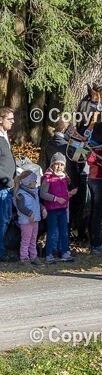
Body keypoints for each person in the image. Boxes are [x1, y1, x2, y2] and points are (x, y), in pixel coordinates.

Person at [41, 153, 76, 263]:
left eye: (61, 164)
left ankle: (65, 252)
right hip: (52, 209)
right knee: (52, 232)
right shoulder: (48, 178)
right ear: (52, 164)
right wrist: (55, 198)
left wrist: (69, 194)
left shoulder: (65, 177)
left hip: (63, 208)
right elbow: (43, 193)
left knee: (64, 231)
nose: (59, 167)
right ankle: (49, 254)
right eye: (56, 164)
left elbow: (63, 193)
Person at [14, 164, 43, 265]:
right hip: (26, 221)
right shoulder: (21, 194)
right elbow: (21, 207)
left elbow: (37, 203)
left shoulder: (34, 191)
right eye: (34, 181)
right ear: (28, 182)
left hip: (35, 220)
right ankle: (24, 257)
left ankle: (33, 256)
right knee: (26, 240)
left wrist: (43, 209)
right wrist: (30, 213)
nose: (36, 183)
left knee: (33, 239)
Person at [0, 107, 16, 262]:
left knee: (5, 219)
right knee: (2, 219)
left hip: (8, 186)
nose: (13, 122)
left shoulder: (5, 136)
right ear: (0, 119)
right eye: (10, 119)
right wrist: (5, 179)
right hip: (2, 186)